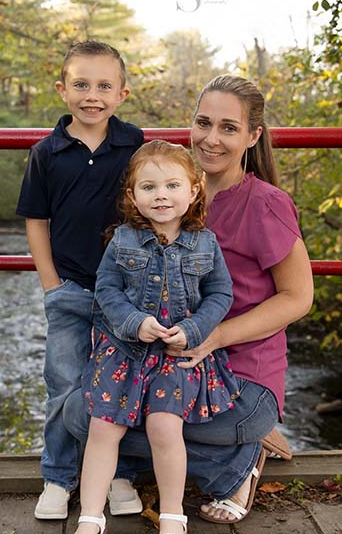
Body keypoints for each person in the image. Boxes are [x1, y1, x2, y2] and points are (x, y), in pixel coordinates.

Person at [64, 74, 314, 525]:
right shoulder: (168, 192)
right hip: (162, 362)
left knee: (135, 425)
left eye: (229, 128)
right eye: (204, 123)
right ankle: (210, 456)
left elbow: (298, 297)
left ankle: (238, 462)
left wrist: (214, 337)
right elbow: (115, 278)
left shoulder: (266, 203)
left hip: (239, 374)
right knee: (83, 415)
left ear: (253, 136)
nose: (212, 139)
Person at [73, 140, 239, 534]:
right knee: (103, 428)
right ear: (133, 195)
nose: (161, 195)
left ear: (194, 189)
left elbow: (221, 294)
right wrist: (133, 321)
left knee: (165, 427)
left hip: (175, 353)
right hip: (125, 352)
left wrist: (194, 329)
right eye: (149, 187)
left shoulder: (205, 243)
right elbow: (107, 290)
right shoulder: (124, 239)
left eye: (172, 186)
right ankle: (91, 517)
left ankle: (172, 515)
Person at [16, 40, 145, 520]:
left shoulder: (134, 144)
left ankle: (119, 474)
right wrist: (51, 285)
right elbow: (36, 219)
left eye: (104, 86)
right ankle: (58, 477)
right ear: (62, 90)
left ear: (122, 94)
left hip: (127, 293)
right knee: (64, 384)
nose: (93, 95)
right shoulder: (46, 153)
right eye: (82, 84)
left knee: (123, 383)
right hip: (69, 289)